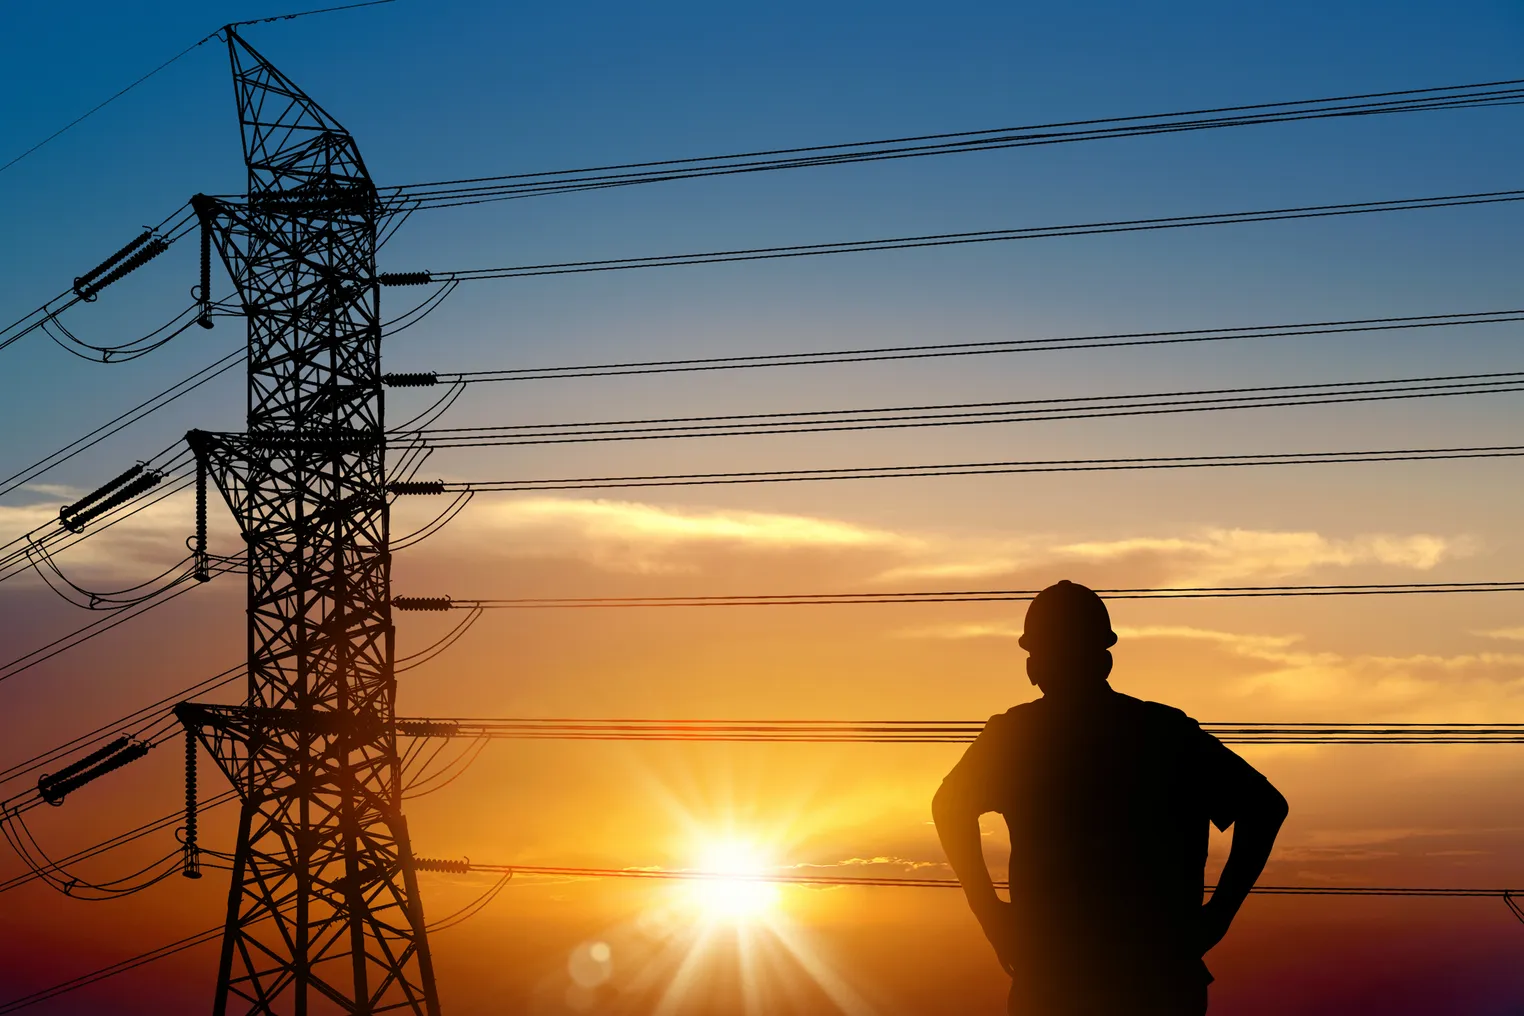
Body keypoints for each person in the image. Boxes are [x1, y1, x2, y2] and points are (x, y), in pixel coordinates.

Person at [933, 580, 1288, 1015]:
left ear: (1039, 662)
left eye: (1035, 654)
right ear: (1104, 656)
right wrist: (1217, 916)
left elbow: (948, 808)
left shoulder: (1016, 737)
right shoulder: (1165, 734)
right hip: (1155, 977)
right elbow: (1265, 807)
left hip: (1058, 977)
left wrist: (991, 915)